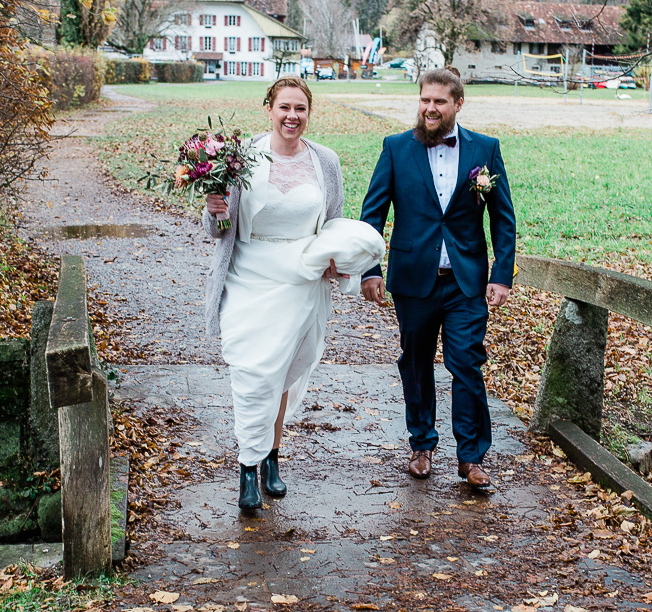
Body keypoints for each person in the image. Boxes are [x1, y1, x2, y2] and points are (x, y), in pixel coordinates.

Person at [204, 76, 384, 513]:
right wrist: (215, 210)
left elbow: (335, 224)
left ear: (309, 112)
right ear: (269, 108)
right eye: (284, 107)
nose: (292, 116)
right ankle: (247, 467)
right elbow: (218, 231)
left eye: (300, 108)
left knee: (282, 374)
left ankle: (271, 457)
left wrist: (340, 261)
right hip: (249, 277)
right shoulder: (240, 157)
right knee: (252, 373)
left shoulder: (326, 162)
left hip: (301, 283)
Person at [360, 68, 516, 490]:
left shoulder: (485, 149)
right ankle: (422, 445)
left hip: (466, 281)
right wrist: (370, 269)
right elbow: (372, 214)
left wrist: (502, 275)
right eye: (425, 100)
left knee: (466, 362)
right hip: (413, 280)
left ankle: (472, 457)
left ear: (457, 104)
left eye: (439, 102)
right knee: (415, 362)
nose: (430, 108)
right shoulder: (396, 149)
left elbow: (503, 218)